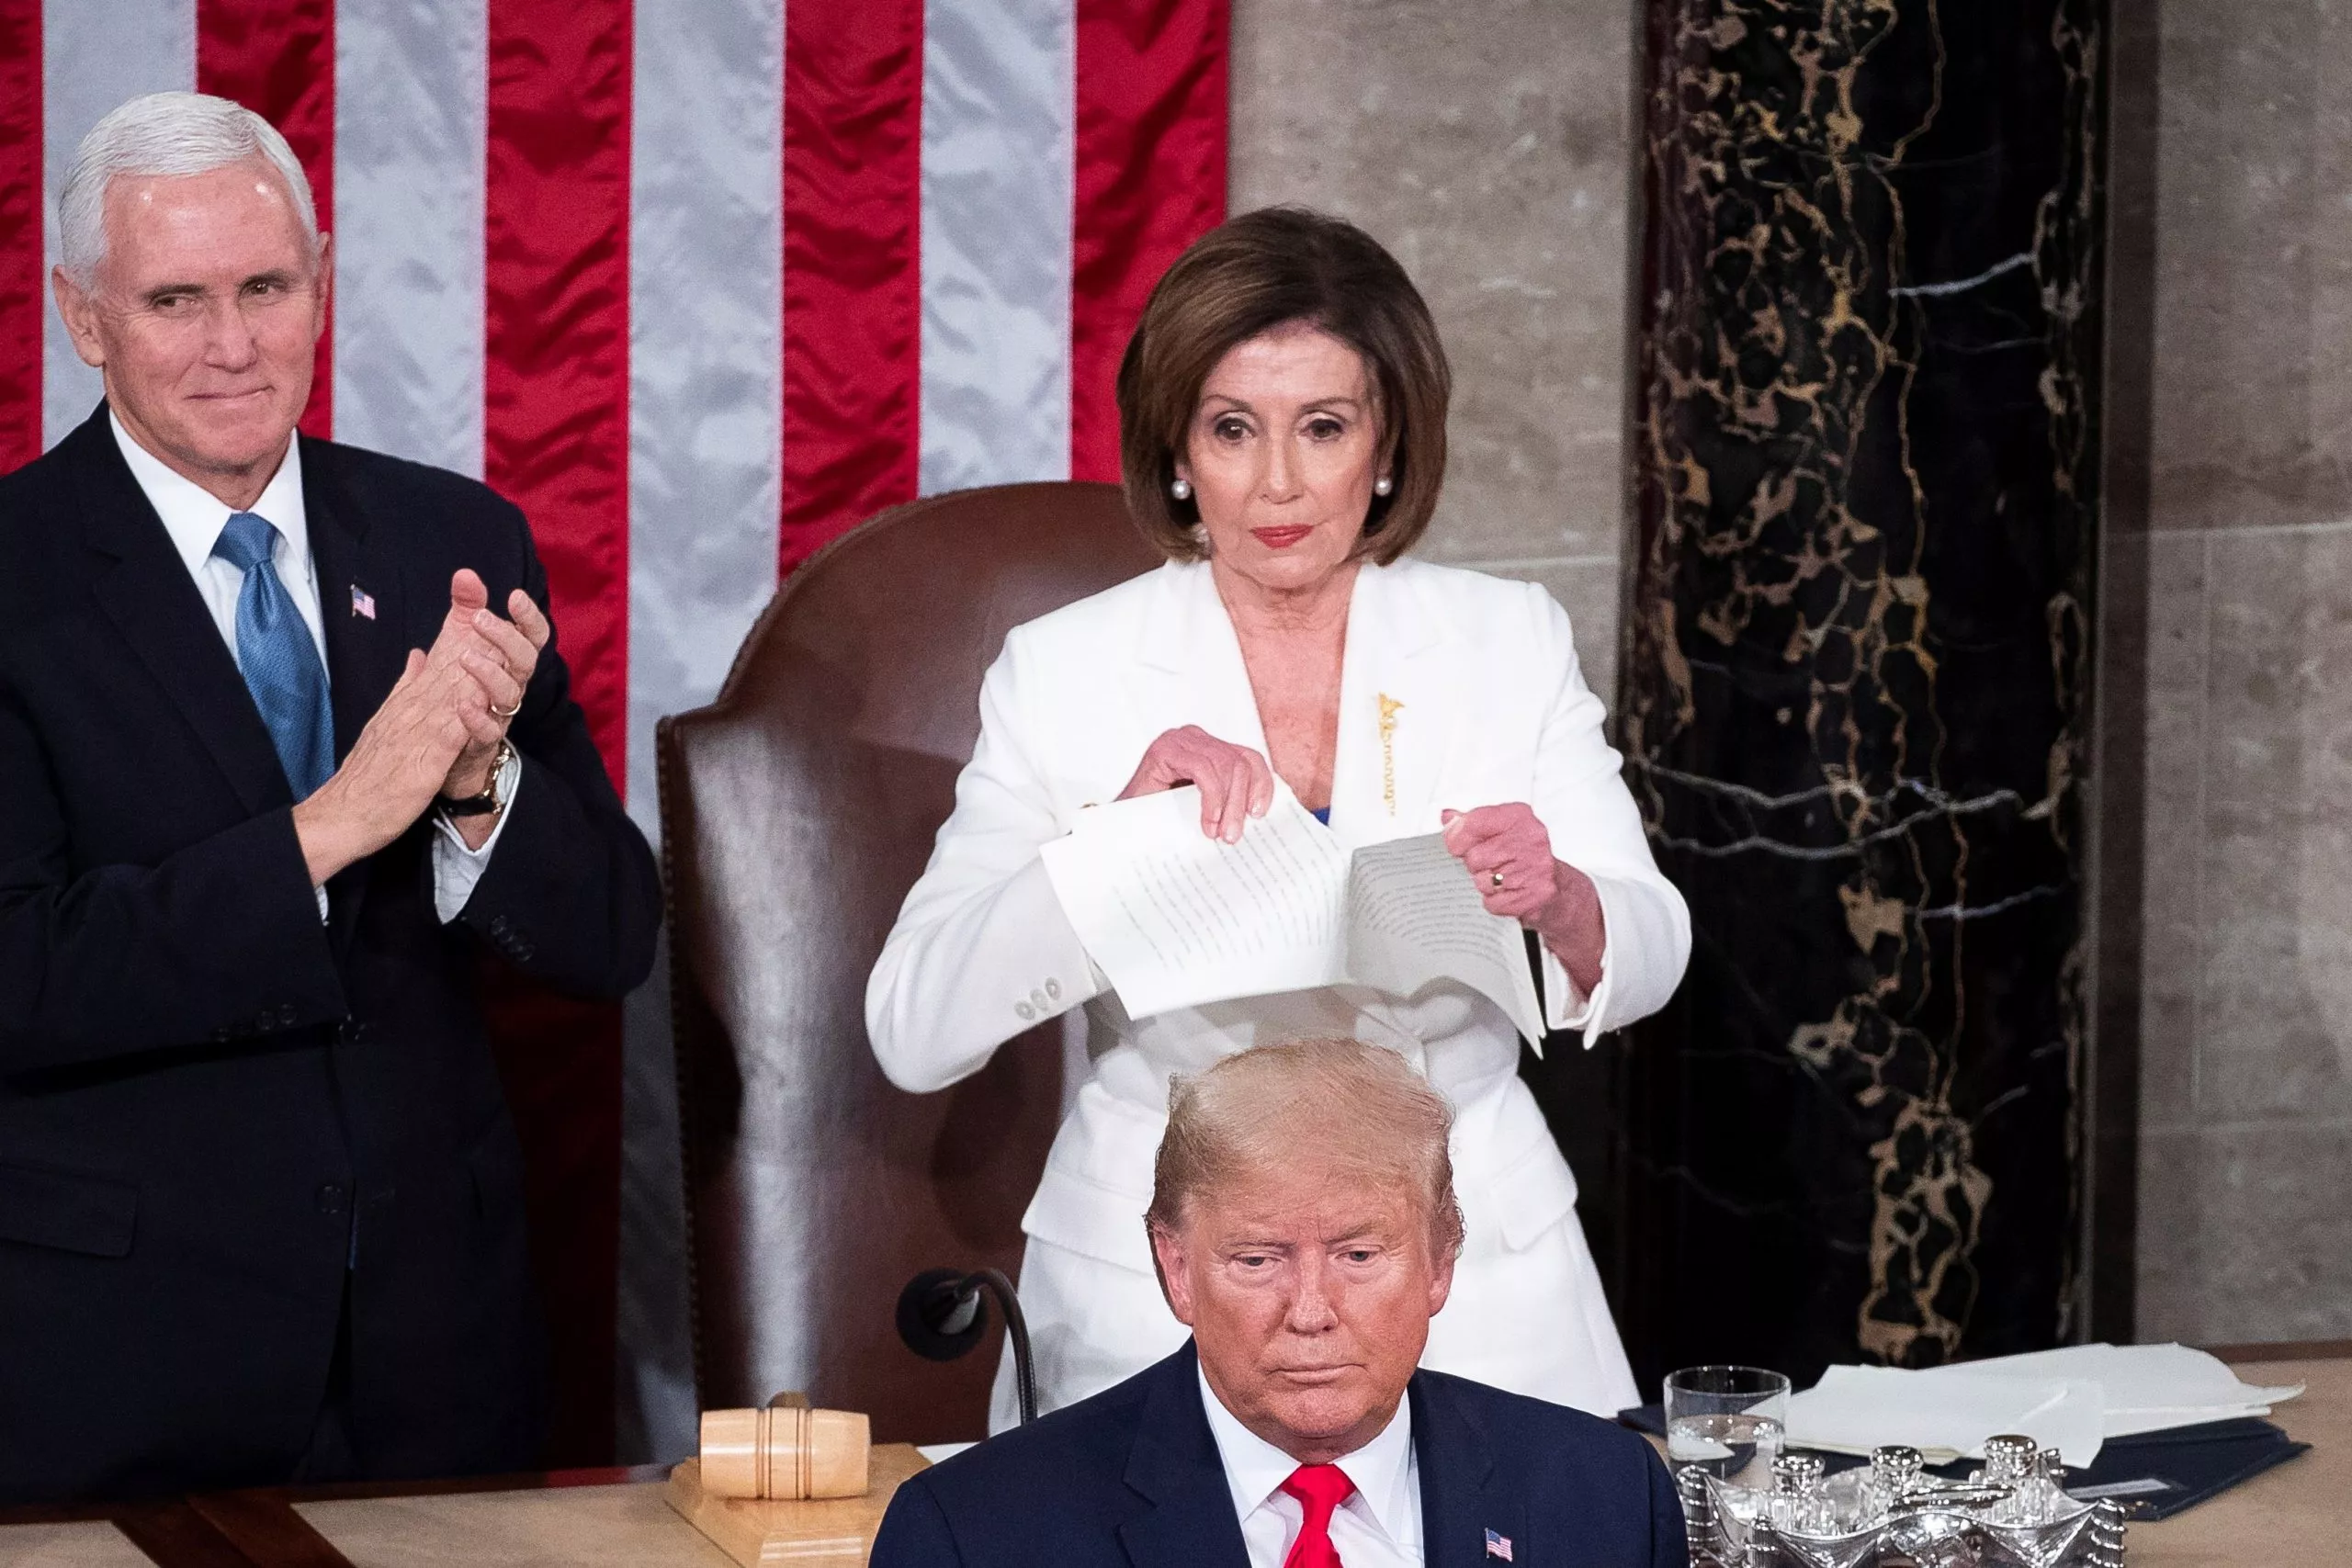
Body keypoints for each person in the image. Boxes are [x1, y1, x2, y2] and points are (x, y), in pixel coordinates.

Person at [867, 207, 1689, 1430]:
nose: (1283, 483)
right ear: (1181, 450)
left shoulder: (1506, 638)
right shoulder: (1064, 670)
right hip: (1166, 1283)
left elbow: (1654, 945)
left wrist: (1558, 895)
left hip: (1477, 1273)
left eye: (1325, 427)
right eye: (1234, 429)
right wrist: (1112, 851)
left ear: (1390, 442)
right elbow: (912, 1022)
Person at [0, 92, 661, 1503]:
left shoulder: (454, 539)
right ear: (84, 317)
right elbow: (18, 967)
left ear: (320, 282)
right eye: (175, 298)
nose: (232, 344)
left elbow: (610, 934)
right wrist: (335, 823)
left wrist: (480, 787)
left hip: (442, 1359)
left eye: (265, 287)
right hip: (119, 1369)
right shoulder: (12, 576)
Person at [872, 1039, 1686, 1567]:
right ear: (1177, 1268)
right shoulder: (975, 1537)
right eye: (1258, 1259)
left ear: (1440, 1259)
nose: (1310, 1310)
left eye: (1359, 1255)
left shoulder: (1607, 1500)